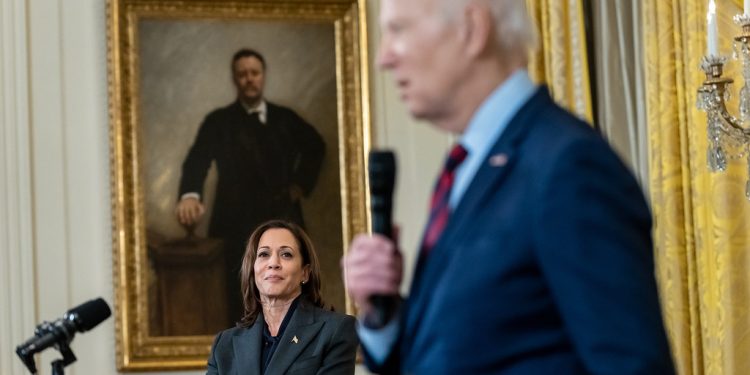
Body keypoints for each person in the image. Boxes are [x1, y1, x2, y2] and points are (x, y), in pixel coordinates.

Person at [341, 0, 676, 374]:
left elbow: (632, 365)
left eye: (399, 30)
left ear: (472, 29)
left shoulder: (569, 165)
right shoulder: (470, 167)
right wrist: (381, 315)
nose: (383, 58)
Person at [176, 48, 326, 322]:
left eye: (254, 73)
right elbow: (197, 160)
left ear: (263, 76)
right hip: (235, 224)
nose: (249, 79)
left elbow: (316, 147)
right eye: (242, 74)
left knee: (291, 298)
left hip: (282, 217)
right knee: (239, 302)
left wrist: (300, 184)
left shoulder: (285, 118)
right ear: (235, 79)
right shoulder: (218, 122)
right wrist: (190, 194)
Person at [207, 220, 358, 375]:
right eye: (264, 254)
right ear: (252, 270)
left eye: (286, 254)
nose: (273, 263)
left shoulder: (336, 330)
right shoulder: (224, 344)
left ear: (305, 272)